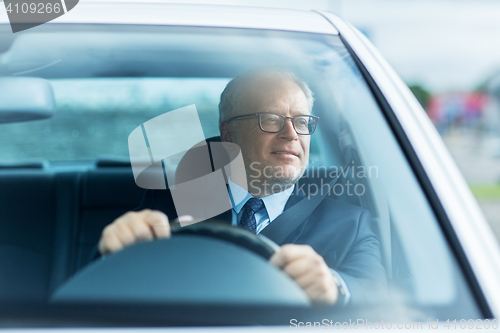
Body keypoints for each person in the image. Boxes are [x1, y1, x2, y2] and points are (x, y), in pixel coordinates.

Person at [95, 68, 387, 305]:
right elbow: (100, 284)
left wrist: (336, 287)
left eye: (302, 121)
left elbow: (382, 301)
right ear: (228, 135)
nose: (291, 134)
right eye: (271, 119)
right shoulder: (169, 202)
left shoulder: (350, 224)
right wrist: (113, 254)